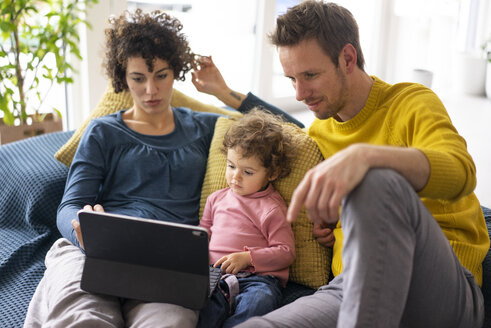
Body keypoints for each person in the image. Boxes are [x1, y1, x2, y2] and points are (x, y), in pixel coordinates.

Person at [192, 1, 490, 327]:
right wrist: (224, 93)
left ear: (347, 58)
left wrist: (365, 158)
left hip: (437, 289)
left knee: (375, 181)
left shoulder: (411, 103)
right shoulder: (320, 133)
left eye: (310, 75)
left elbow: (461, 170)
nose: (300, 92)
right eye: (291, 79)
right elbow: (284, 126)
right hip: (349, 288)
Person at [24, 9, 221, 328]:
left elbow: (288, 131)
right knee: (83, 320)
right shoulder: (103, 131)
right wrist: (84, 234)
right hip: (94, 249)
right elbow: (69, 206)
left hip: (167, 262)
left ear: (176, 71)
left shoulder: (206, 128)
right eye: (138, 78)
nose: (151, 91)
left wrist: (224, 94)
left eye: (161, 75)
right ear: (123, 77)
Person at [197, 109, 297, 328]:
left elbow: (286, 252)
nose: (235, 176)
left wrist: (247, 258)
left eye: (248, 172)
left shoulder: (271, 208)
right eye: (231, 166)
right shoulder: (216, 199)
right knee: (200, 310)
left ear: (271, 173)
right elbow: (202, 233)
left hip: (257, 280)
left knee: (258, 303)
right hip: (216, 276)